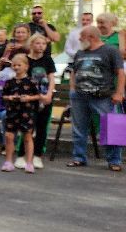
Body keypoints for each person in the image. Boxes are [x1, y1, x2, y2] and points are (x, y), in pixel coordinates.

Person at [66, 24, 124, 170]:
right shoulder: (80, 52)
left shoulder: (110, 50)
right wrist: (72, 89)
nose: (79, 39)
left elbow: (120, 73)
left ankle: (114, 161)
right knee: (79, 128)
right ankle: (79, 157)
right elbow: (74, 71)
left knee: (111, 127)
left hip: (103, 97)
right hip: (79, 97)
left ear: (91, 37)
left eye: (82, 37)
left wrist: (119, 93)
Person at [0, 54, 42, 174]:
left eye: (19, 65)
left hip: (27, 112)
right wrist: (10, 97)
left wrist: (28, 98)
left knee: (27, 137)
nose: (16, 67)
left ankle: (29, 162)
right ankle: (8, 161)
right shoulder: (9, 82)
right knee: (9, 136)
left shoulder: (32, 81)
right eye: (14, 65)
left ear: (26, 66)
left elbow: (38, 95)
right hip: (12, 112)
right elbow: (3, 96)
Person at [21, 33, 57, 170]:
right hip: (28, 98)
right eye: (38, 43)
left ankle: (37, 155)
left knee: (42, 127)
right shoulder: (25, 59)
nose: (41, 46)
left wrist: (49, 94)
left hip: (44, 97)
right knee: (27, 127)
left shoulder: (48, 60)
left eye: (43, 44)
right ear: (31, 44)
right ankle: (22, 154)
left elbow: (52, 79)